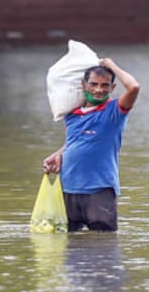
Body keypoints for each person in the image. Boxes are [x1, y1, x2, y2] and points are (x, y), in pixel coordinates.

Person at [42, 58, 140, 232]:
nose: (99, 89)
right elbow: (76, 141)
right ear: (84, 85)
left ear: (112, 88)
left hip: (99, 189)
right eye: (94, 84)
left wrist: (111, 65)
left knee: (102, 241)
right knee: (68, 242)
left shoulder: (114, 111)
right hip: (68, 186)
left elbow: (134, 87)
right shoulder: (71, 114)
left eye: (105, 85)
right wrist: (58, 154)